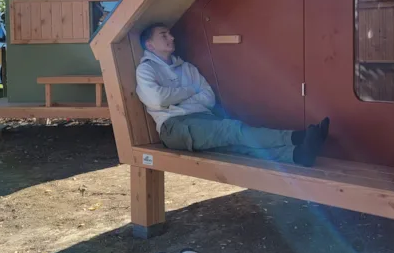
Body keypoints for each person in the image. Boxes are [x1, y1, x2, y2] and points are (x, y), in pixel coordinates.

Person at [135, 23, 329, 167]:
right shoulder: (146, 70)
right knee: (234, 130)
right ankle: (298, 136)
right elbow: (157, 100)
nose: (171, 38)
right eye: (164, 35)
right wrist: (190, 91)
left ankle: (297, 155)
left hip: (203, 119)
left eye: (170, 34)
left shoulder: (187, 67)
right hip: (175, 126)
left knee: (237, 147)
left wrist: (175, 97)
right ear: (150, 45)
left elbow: (208, 98)